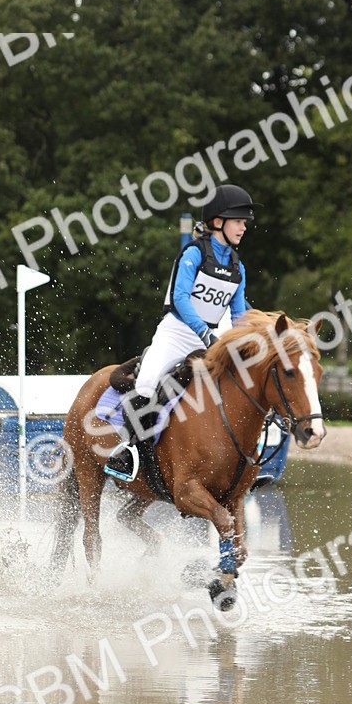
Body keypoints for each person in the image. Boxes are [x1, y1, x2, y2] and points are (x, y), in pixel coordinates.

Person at [104, 183, 258, 482]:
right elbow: (180, 298)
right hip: (177, 333)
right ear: (218, 221)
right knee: (147, 384)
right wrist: (205, 333)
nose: (243, 228)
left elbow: (239, 316)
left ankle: (241, 463)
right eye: (238, 221)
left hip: (212, 336)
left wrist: (244, 345)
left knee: (243, 384)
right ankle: (129, 451)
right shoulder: (193, 253)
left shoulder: (238, 267)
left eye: (244, 223)